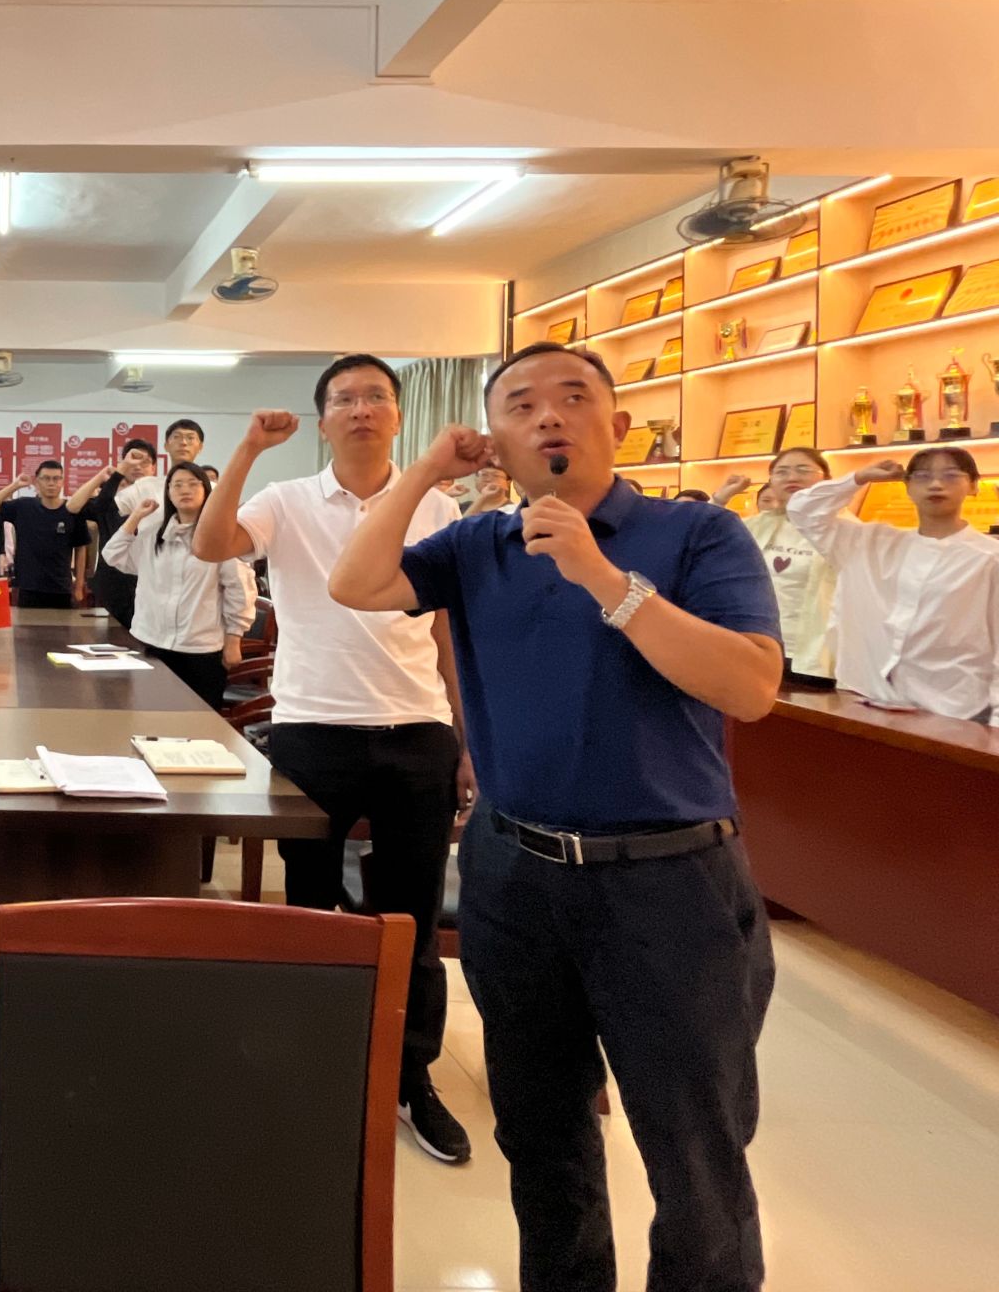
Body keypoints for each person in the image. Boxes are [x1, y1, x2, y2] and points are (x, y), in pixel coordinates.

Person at [329, 341, 783, 1292]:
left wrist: (604, 578)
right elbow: (357, 584)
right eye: (520, 404)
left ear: (618, 424)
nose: (547, 416)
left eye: (573, 397)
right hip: (515, 874)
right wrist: (426, 469)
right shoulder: (477, 544)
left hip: (669, 880)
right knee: (541, 1136)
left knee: (693, 1148)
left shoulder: (697, 534)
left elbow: (749, 687)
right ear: (495, 439)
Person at [193, 355, 473, 1167]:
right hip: (314, 732)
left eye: (376, 396)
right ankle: (308, 1063)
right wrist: (248, 449)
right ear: (323, 421)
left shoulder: (437, 505)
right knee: (309, 910)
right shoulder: (286, 500)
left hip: (417, 731)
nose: (360, 409)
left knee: (410, 919)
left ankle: (410, 1075)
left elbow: (445, 629)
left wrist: (465, 737)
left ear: (398, 416)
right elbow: (212, 543)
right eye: (344, 398)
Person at [787, 449, 999, 722]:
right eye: (922, 476)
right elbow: (802, 511)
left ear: (973, 486)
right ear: (907, 486)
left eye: (951, 475)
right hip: (864, 700)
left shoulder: (989, 558)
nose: (936, 484)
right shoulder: (869, 542)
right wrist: (859, 478)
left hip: (952, 712)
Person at [102, 462, 252, 706]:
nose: (185, 490)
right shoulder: (154, 534)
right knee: (149, 716)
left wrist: (234, 639)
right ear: (168, 493)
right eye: (177, 485)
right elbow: (112, 555)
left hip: (200, 647)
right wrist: (136, 517)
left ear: (206, 491)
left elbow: (240, 589)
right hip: (151, 641)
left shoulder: (219, 537)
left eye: (193, 484)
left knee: (199, 720)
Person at [712, 448, 838, 683]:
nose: (792, 477)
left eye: (803, 470)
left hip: (813, 655)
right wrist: (721, 498)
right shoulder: (760, 525)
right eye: (782, 472)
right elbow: (708, 539)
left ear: (827, 479)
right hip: (760, 647)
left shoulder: (841, 528)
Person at [69, 439, 156, 628]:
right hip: (113, 582)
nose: (138, 466)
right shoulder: (111, 500)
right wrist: (107, 475)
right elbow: (73, 507)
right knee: (113, 638)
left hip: (151, 580)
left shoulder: (162, 499)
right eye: (133, 460)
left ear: (153, 468)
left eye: (144, 462)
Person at [0, 461, 90, 609]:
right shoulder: (23, 506)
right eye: (46, 478)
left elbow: (81, 548)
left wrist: (79, 585)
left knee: (63, 624)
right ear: (37, 482)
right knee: (27, 624)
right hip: (28, 586)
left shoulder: (72, 510)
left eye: (56, 478)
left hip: (61, 587)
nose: (51, 483)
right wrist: (15, 485)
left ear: (62, 481)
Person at [115, 418, 204, 513]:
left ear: (200, 447)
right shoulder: (144, 487)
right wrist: (117, 474)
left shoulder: (211, 489)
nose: (183, 442)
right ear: (166, 446)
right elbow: (107, 511)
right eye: (177, 437)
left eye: (190, 438)